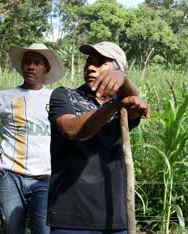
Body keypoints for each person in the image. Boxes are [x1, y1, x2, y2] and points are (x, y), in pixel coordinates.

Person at [47, 41, 151, 234]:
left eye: (101, 62)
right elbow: (71, 129)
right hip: (71, 218)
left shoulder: (125, 107)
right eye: (89, 62)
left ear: (118, 70)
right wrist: (112, 106)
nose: (90, 67)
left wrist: (124, 81)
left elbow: (135, 101)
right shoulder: (64, 96)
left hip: (116, 218)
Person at [0, 43, 63, 234]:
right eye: (27, 62)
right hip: (9, 176)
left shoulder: (56, 98)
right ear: (22, 66)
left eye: (37, 63)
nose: (31, 66)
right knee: (12, 229)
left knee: (44, 230)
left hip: (45, 179)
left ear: (46, 68)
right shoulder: (4, 97)